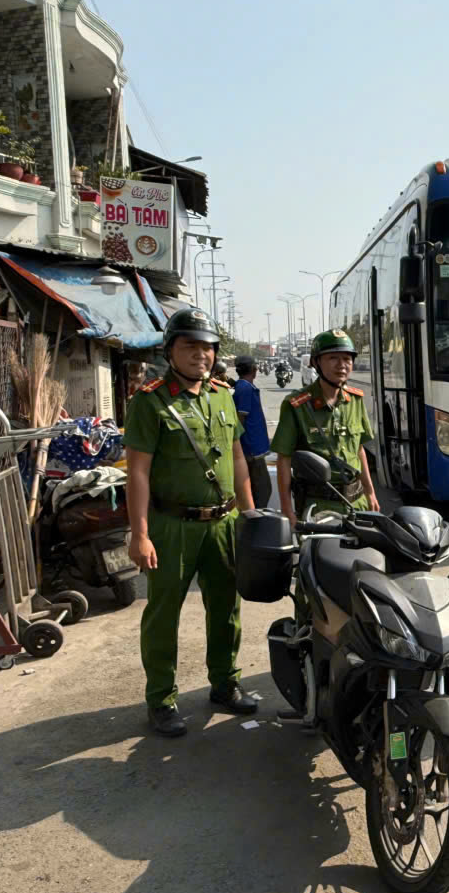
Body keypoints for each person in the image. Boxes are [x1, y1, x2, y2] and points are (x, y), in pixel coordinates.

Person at [123, 308, 256, 738]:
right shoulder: (149, 401)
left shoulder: (223, 395)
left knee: (226, 611)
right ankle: (161, 699)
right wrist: (140, 534)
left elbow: (237, 459)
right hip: (171, 526)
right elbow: (138, 471)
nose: (201, 355)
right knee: (163, 616)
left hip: (223, 524)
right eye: (190, 347)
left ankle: (225, 685)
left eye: (207, 347)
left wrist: (250, 517)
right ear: (171, 351)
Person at [272, 329, 379, 525]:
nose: (342, 365)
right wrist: (287, 510)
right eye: (333, 358)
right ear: (316, 363)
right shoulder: (297, 405)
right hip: (318, 507)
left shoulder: (355, 400)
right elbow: (284, 460)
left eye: (347, 358)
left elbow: (359, 450)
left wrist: (370, 492)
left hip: (358, 503)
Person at [231, 354, 272, 508]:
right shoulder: (244, 388)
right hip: (252, 450)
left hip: (253, 448)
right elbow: (240, 420)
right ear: (254, 370)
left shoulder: (244, 387)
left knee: (260, 490)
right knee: (262, 490)